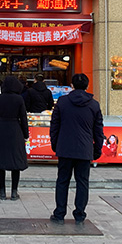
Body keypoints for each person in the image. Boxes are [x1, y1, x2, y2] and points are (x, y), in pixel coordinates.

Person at [49, 73, 104, 225]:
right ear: (87, 86)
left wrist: (55, 144)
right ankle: (79, 214)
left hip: (65, 147)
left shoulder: (62, 102)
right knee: (82, 183)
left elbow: (54, 125)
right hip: (84, 149)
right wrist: (97, 148)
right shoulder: (94, 105)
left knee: (62, 181)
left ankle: (59, 213)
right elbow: (98, 130)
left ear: (71, 86)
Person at [0, 75, 30, 201]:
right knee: (15, 162)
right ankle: (14, 192)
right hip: (15, 130)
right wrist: (26, 134)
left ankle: (2, 192)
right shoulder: (19, 99)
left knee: (0, 162)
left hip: (0, 129)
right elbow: (23, 118)